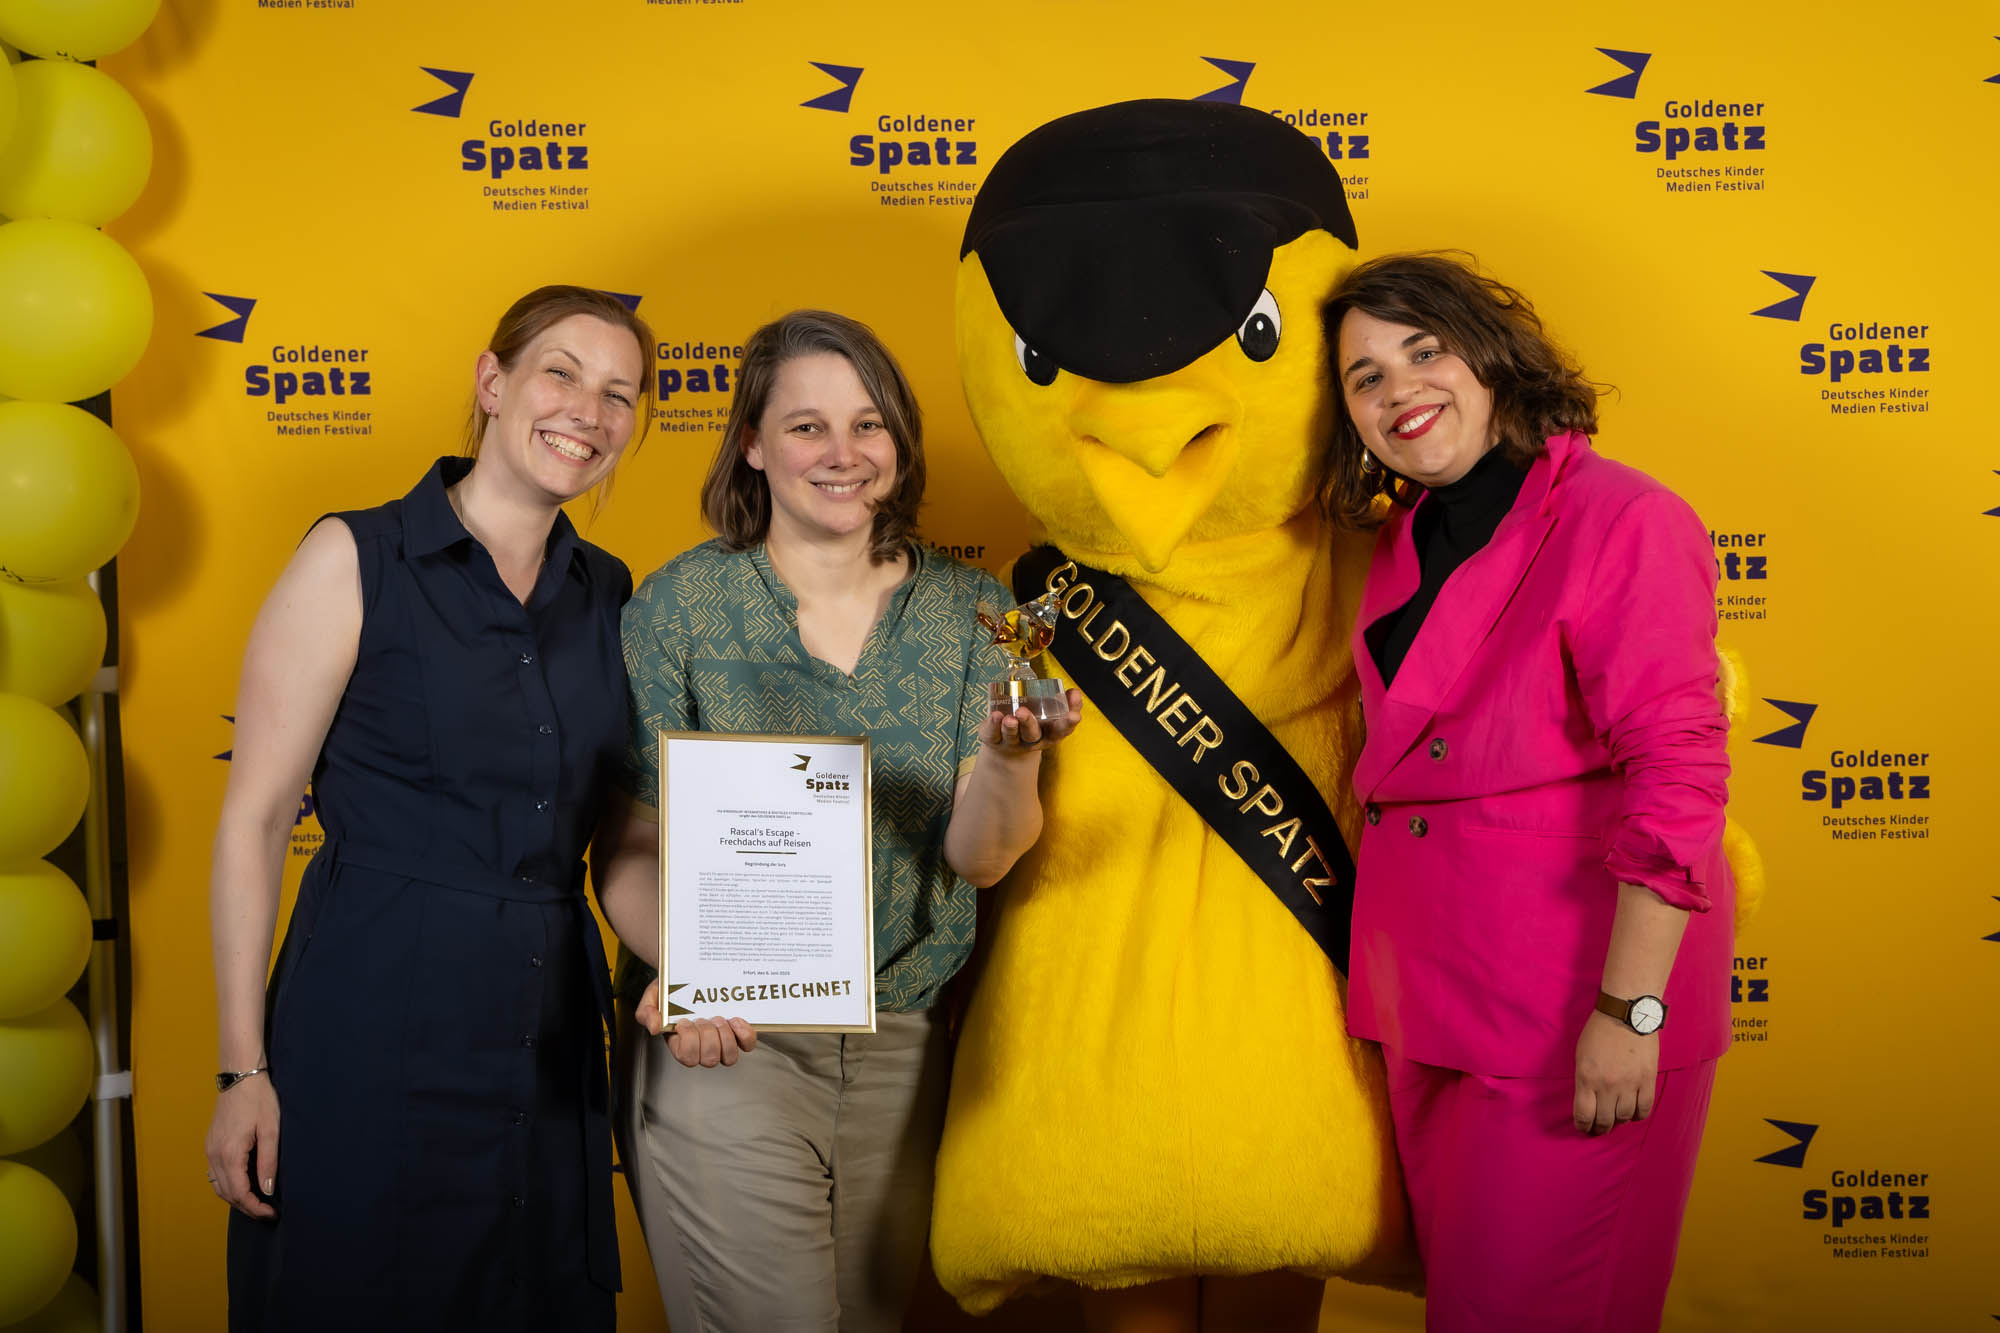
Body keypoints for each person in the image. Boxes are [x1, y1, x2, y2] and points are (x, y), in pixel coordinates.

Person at [590, 308, 1081, 1333]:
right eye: (806, 426)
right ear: (751, 444)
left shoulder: (975, 614)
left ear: (898, 444)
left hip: (905, 1041)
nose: (842, 453)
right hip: (730, 1039)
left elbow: (981, 858)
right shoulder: (677, 609)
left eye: (868, 425)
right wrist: (693, 971)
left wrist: (1009, 758)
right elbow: (627, 847)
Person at [204, 285, 653, 1332]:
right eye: (560, 373)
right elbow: (255, 821)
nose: (587, 411)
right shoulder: (353, 557)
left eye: (618, 394)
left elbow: (618, 838)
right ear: (493, 382)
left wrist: (706, 965)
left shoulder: (611, 591)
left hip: (547, 1034)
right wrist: (242, 1067)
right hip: (367, 1019)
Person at [1323, 253, 1734, 1332]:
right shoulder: (1400, 537)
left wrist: (1629, 1011)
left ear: (1494, 357)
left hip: (1570, 1007)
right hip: (1430, 1005)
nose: (1399, 389)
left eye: (1424, 350)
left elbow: (1677, 775)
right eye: (1365, 377)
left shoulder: (1622, 518)